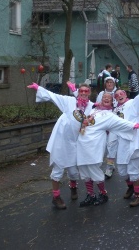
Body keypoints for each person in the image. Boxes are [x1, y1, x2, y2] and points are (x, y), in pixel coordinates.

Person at [27, 81, 94, 209]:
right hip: (61, 141)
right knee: (58, 169)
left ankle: (73, 187)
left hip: (76, 143)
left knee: (74, 172)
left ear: (89, 93)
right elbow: (53, 96)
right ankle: (56, 197)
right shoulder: (69, 101)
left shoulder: (92, 107)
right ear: (78, 93)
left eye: (86, 91)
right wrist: (38, 88)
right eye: (81, 91)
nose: (84, 93)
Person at [76, 93, 139, 207]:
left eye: (109, 98)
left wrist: (134, 125)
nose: (106, 99)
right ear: (100, 100)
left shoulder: (110, 115)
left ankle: (103, 194)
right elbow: (81, 103)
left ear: (112, 102)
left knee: (94, 170)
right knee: (84, 171)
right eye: (104, 98)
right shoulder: (93, 110)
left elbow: (120, 122)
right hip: (82, 144)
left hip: (94, 145)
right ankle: (91, 195)